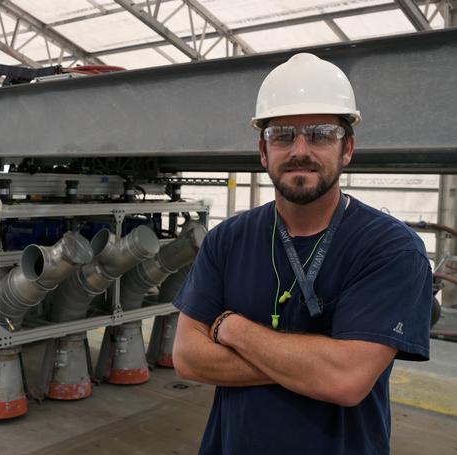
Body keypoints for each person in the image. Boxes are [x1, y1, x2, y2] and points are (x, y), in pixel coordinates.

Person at [171, 52, 432, 455]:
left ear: (347, 149)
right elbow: (188, 358)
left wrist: (232, 329)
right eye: (283, 135)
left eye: (321, 134)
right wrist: (311, 364)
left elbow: (344, 380)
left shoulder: (390, 248)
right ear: (263, 151)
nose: (300, 149)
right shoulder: (228, 239)